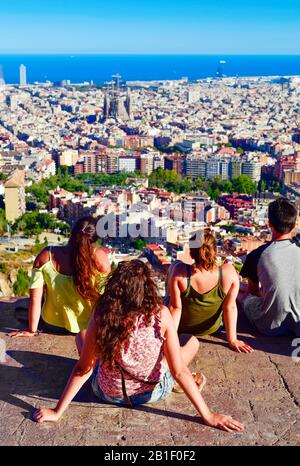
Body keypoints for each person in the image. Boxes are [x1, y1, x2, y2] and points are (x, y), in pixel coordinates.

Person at [33, 260, 244, 433]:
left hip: (106, 392)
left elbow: (82, 369)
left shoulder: (102, 312)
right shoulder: (160, 314)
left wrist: (57, 412)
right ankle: (169, 382)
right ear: (146, 287)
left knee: (82, 336)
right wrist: (208, 416)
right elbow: (179, 371)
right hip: (151, 393)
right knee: (191, 343)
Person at [9, 216, 110, 352]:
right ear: (95, 239)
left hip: (53, 324)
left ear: (72, 232)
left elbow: (35, 298)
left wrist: (32, 330)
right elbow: (104, 300)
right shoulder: (101, 258)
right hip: (88, 327)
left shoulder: (46, 255)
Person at [168, 229, 253, 353]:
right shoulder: (228, 272)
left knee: (175, 264)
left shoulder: (180, 273)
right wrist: (233, 339)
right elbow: (230, 307)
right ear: (216, 251)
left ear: (191, 254)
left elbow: (175, 308)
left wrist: (171, 339)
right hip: (212, 328)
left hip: (183, 328)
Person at [240, 197, 300, 336]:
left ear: (269, 224)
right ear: (293, 225)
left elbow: (253, 291)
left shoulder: (257, 255)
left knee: (247, 298)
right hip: (298, 325)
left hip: (271, 326)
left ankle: (238, 290)